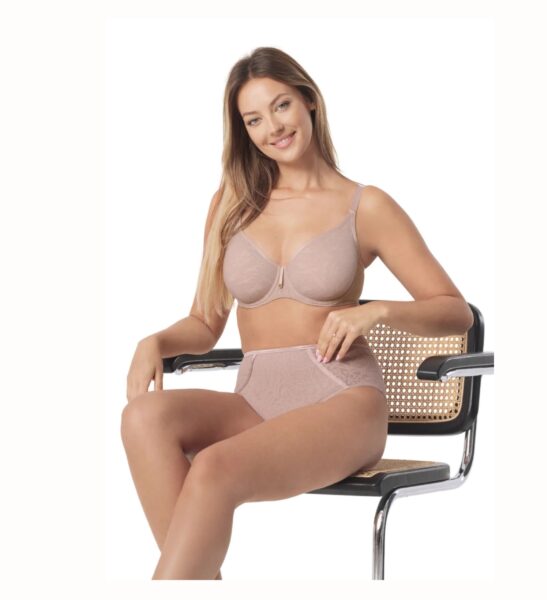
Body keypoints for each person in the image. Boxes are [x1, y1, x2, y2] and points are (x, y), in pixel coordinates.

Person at [121, 46, 474, 580]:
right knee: (142, 418)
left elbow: (454, 312)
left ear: (309, 100)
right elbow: (205, 322)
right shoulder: (230, 205)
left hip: (343, 403)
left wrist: (375, 311)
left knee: (214, 467)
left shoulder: (365, 205)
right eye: (254, 119)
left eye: (281, 105)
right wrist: (156, 341)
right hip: (256, 401)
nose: (273, 128)